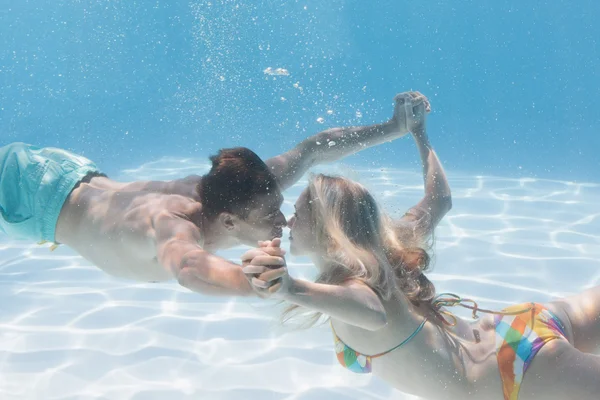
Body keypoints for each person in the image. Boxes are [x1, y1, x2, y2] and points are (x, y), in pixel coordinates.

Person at [241, 94, 600, 399]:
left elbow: (371, 311)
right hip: (520, 325)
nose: (288, 222)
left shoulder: (355, 288)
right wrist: (420, 134)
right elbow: (440, 198)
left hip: (521, 369)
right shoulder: (391, 242)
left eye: (300, 213)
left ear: (328, 231)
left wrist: (288, 287)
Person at [0, 91, 420, 297]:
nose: (283, 218)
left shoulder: (242, 188)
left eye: (278, 207)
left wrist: (394, 128)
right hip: (25, 195)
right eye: (269, 214)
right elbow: (188, 267)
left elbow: (311, 149)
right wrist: (256, 283)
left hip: (72, 171)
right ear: (228, 222)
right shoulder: (172, 224)